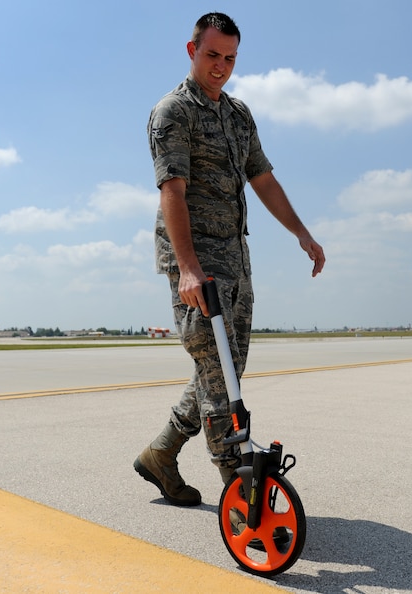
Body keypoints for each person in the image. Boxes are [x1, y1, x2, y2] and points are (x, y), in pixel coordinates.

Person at [134, 12, 325, 506]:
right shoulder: (172, 111)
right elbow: (171, 191)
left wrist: (301, 233)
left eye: (230, 58)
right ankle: (240, 497)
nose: (221, 66)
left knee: (223, 373)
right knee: (221, 383)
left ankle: (161, 453)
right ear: (192, 49)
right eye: (212, 55)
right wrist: (189, 268)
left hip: (236, 261)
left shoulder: (239, 115)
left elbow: (262, 179)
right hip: (197, 265)